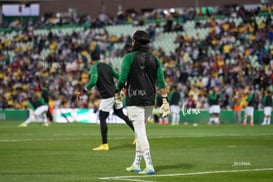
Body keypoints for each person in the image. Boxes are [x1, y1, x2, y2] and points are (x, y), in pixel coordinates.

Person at [116, 30, 170, 175]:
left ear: (134, 42)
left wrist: (118, 91)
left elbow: (122, 79)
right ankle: (136, 163)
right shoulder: (155, 59)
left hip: (135, 99)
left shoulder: (128, 58)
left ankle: (149, 165)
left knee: (140, 132)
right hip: (149, 100)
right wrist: (165, 101)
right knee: (140, 132)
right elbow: (161, 83)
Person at [78, 50, 134, 151]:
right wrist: (125, 86)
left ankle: (104, 144)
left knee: (102, 117)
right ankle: (138, 136)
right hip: (116, 93)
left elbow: (93, 80)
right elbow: (119, 76)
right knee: (121, 114)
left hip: (107, 96)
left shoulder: (95, 67)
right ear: (99, 57)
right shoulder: (108, 66)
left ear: (91, 59)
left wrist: (84, 90)